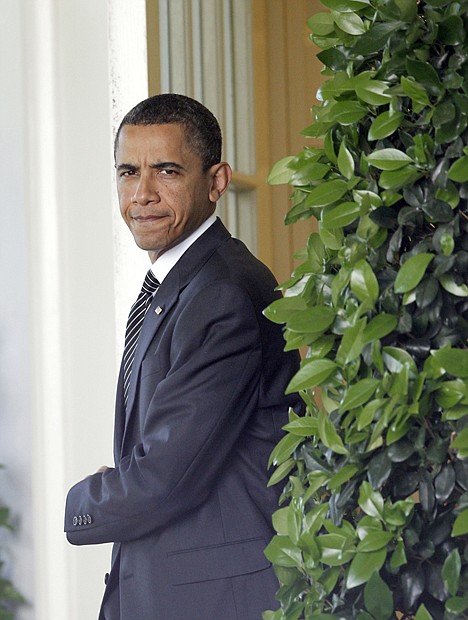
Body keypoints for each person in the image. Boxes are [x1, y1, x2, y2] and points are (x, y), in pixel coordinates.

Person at [64, 93, 301, 620]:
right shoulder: (181, 286)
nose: (142, 194)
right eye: (128, 172)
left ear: (217, 181)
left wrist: (78, 502)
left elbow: (163, 480)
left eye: (166, 170)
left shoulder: (222, 294)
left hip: (213, 602)